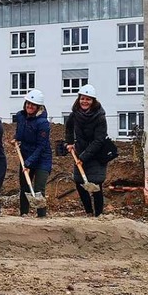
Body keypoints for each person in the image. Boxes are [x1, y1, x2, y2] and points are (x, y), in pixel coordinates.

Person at [65, 84, 108, 217]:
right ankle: (89, 212)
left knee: (95, 185)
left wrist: (83, 157)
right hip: (80, 152)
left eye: (88, 99)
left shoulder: (100, 117)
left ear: (93, 101)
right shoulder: (75, 114)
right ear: (79, 99)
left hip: (96, 154)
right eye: (83, 98)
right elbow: (69, 126)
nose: (85, 101)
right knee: (80, 183)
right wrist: (70, 142)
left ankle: (99, 215)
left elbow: (99, 140)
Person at [13, 89, 52, 217]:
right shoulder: (21, 117)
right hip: (25, 156)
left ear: (38, 107)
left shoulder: (43, 123)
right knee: (24, 188)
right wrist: (16, 139)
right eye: (28, 103)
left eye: (33, 104)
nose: (29, 106)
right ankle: (24, 214)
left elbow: (41, 147)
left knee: (39, 189)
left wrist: (29, 163)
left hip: (41, 159)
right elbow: (20, 134)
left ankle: (41, 216)